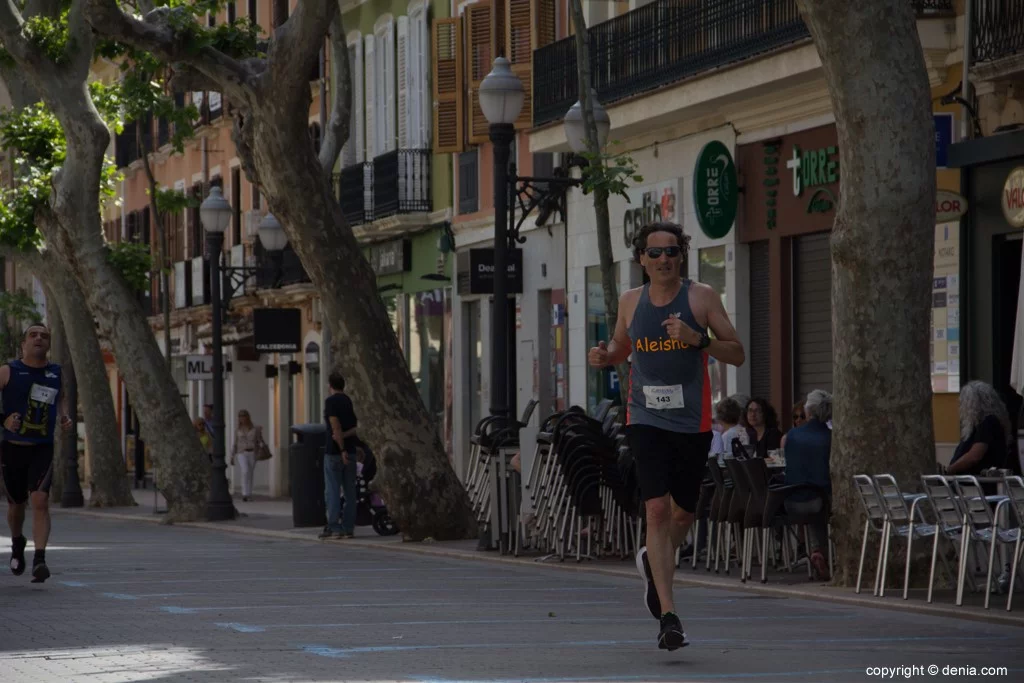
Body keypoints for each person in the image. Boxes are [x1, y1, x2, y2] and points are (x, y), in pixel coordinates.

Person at [588, 222, 744, 651]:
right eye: (654, 253)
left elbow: (738, 352)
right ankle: (669, 616)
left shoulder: (701, 298)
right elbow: (622, 348)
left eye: (672, 251)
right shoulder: (630, 301)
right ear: (641, 259)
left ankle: (652, 564)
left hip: (691, 424)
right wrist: (604, 357)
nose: (664, 259)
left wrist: (699, 340)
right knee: (656, 510)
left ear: (682, 256)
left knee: (682, 516)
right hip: (645, 418)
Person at [1, 324, 74, 583]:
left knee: (40, 500)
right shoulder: (8, 371)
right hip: (11, 450)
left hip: (42, 448)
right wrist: (4, 421)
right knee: (16, 506)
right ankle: (18, 541)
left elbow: (60, 397)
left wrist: (65, 417)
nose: (39, 338)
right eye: (33, 335)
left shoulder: (55, 372)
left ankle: (40, 559)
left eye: (44, 335)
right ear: (23, 344)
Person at [782, 389, 833, 581]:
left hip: (791, 500)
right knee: (822, 499)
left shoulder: (792, 435)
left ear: (808, 412)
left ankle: (817, 550)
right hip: (821, 500)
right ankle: (823, 552)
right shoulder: (830, 437)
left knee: (811, 499)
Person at [320, 371, 359, 540]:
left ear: (330, 386)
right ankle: (349, 527)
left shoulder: (331, 402)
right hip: (351, 451)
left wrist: (341, 448)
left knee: (333, 491)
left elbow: (335, 427)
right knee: (350, 491)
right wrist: (349, 443)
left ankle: (335, 527)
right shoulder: (350, 401)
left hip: (335, 452)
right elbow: (358, 427)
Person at [948, 380, 1013, 477]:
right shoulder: (982, 423)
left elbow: (974, 456)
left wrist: (951, 469)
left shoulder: (988, 422)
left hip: (977, 484)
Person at [230, 410, 262, 502]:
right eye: (240, 417)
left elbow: (259, 441)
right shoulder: (238, 430)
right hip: (241, 452)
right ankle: (245, 493)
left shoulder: (255, 428)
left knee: (250, 473)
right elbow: (235, 443)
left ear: (247, 417)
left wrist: (261, 448)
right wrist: (232, 456)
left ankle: (249, 493)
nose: (242, 418)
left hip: (252, 452)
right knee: (245, 470)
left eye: (244, 416)